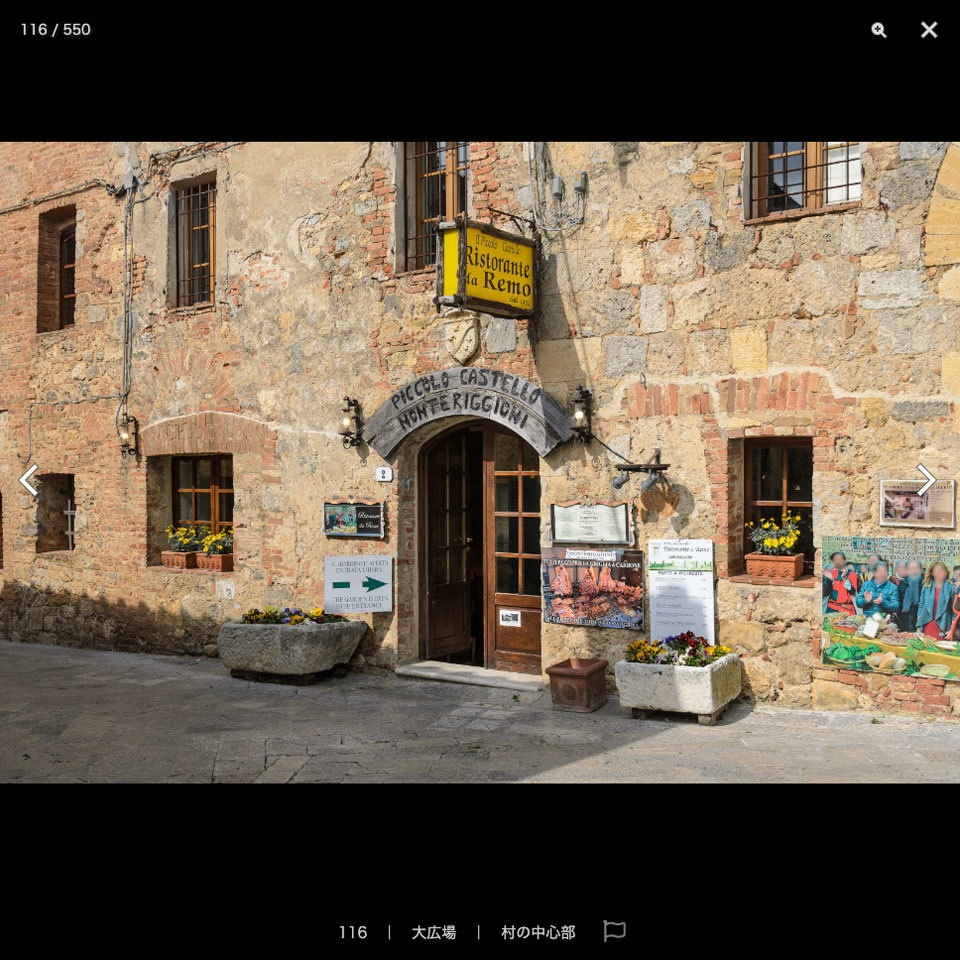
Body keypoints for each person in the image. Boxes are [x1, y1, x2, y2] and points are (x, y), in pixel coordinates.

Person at [916, 561, 956, 641]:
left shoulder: (951, 588)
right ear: (932, 573)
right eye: (938, 570)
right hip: (927, 622)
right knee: (926, 644)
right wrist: (919, 625)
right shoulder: (927, 587)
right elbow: (921, 605)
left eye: (943, 570)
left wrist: (952, 629)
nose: (941, 572)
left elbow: (954, 611)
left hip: (944, 623)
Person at [823, 551, 858, 616]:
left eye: (840, 559)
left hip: (846, 609)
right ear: (832, 561)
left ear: (844, 560)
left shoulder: (852, 574)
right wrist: (829, 580)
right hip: (830, 608)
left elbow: (853, 592)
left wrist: (845, 579)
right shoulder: (829, 573)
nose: (838, 562)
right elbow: (825, 593)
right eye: (835, 560)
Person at [897, 559, 924, 633]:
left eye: (916, 568)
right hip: (904, 624)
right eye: (911, 569)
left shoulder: (926, 584)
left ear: (921, 570)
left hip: (921, 623)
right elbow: (899, 605)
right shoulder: (902, 584)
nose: (914, 571)